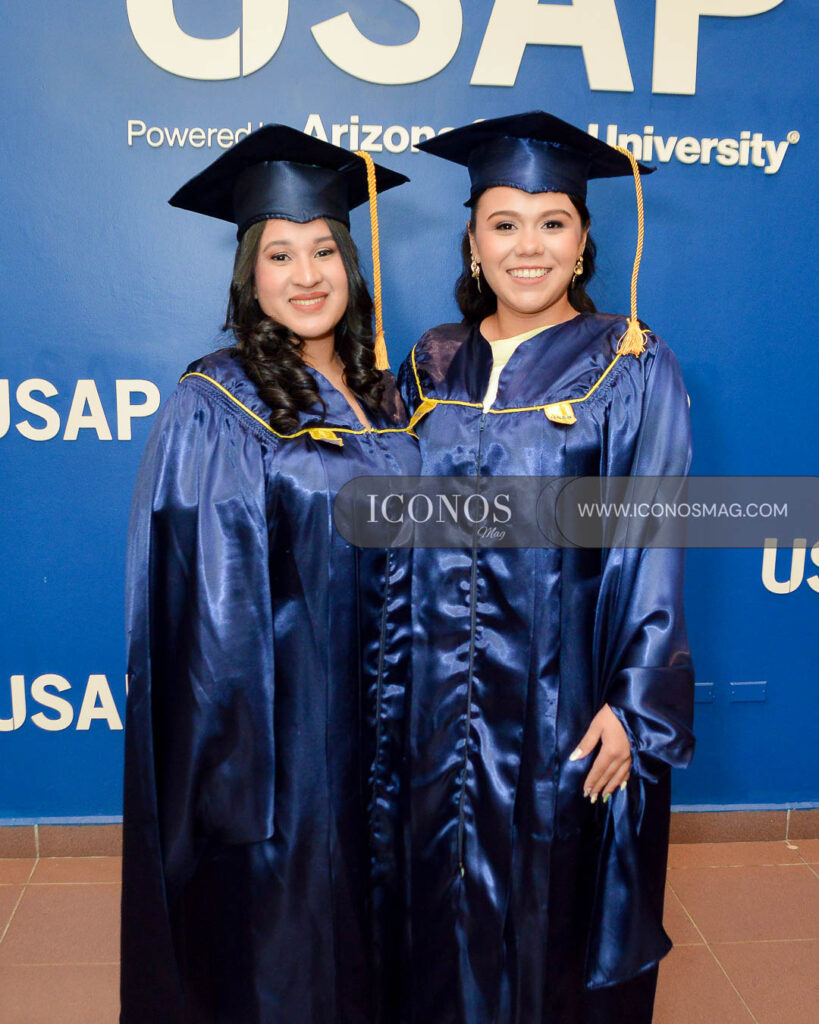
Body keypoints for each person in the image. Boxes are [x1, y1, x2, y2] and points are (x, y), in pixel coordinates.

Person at [397, 111, 695, 1024]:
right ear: (473, 244)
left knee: (552, 909)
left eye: (551, 223)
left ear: (582, 240)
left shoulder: (628, 363)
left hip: (562, 695)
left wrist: (633, 701)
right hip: (432, 702)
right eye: (504, 224)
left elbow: (653, 530)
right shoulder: (430, 363)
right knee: (433, 905)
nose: (527, 247)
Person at [120, 124, 419, 1024]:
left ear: (351, 264)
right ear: (249, 276)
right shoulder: (217, 399)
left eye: (324, 250)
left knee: (382, 932)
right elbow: (209, 610)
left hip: (394, 720)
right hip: (287, 743)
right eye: (279, 255)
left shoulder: (389, 395)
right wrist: (240, 781)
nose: (306, 275)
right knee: (293, 944)